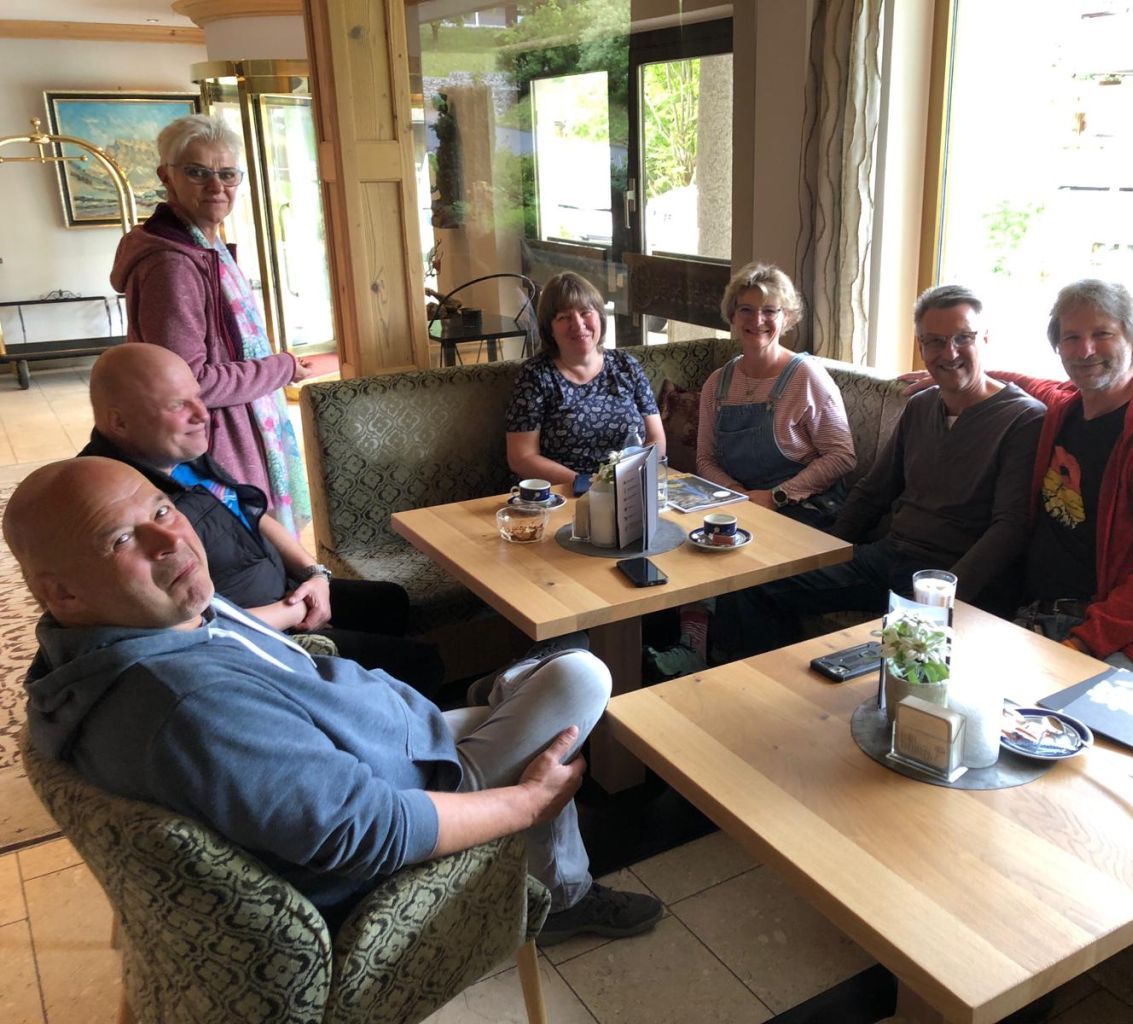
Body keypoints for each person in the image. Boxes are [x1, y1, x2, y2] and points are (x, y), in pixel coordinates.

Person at [8, 457, 662, 942]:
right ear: (63, 593)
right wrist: (527, 802)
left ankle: (505, 708)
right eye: (120, 539)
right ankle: (563, 896)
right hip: (413, 792)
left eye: (160, 510)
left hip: (389, 743)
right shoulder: (188, 708)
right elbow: (368, 832)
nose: (171, 540)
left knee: (548, 690)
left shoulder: (129, 630)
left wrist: (298, 608)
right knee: (580, 678)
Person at [78, 344, 445, 694]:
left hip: (282, 590)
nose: (203, 414)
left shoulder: (174, 451)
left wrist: (315, 575)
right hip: (251, 637)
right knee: (421, 665)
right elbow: (189, 626)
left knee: (391, 601)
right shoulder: (116, 500)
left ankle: (380, 707)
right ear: (119, 422)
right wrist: (295, 611)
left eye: (197, 396)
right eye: (177, 405)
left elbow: (254, 514)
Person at [711, 285, 1044, 660]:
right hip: (888, 558)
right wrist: (826, 553)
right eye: (935, 341)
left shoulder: (1022, 418)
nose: (949, 353)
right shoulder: (921, 406)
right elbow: (873, 492)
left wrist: (942, 596)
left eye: (963, 338)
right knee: (749, 583)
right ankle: (752, 684)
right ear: (921, 346)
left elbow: (1009, 528)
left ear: (985, 339)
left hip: (953, 577)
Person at [110, 113, 317, 537]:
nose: (216, 186)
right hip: (213, 441)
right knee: (245, 547)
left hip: (229, 429)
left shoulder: (206, 245)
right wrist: (280, 368)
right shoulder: (172, 265)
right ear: (166, 176)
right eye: (198, 172)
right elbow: (191, 384)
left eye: (227, 174)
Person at [1008, 280, 1133, 679]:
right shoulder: (1064, 408)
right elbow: (1029, 383)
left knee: (1062, 714)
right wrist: (965, 377)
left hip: (1126, 640)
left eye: (1102, 334)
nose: (1085, 350)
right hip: (1037, 614)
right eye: (1071, 337)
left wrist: (1082, 643)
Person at [695, 262, 855, 528]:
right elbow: (705, 460)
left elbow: (842, 456)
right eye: (746, 310)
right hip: (740, 506)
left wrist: (776, 496)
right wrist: (737, 494)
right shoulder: (717, 384)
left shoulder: (807, 377)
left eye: (769, 311)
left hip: (805, 508)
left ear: (786, 317)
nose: (757, 320)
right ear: (732, 316)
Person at [505, 272, 665, 489]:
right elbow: (521, 457)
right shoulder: (535, 376)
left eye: (585, 312)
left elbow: (656, 439)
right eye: (564, 317)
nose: (578, 324)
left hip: (629, 489)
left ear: (600, 317)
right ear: (549, 328)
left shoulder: (627, 366)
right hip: (564, 492)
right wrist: (590, 484)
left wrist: (632, 481)